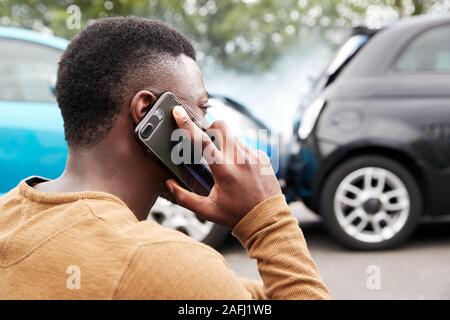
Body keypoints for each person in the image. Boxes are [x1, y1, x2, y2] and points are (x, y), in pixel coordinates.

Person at [0, 17, 330, 299]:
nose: (209, 129)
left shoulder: (9, 212)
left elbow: (229, 292)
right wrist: (268, 222)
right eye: (202, 110)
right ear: (147, 112)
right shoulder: (156, 261)